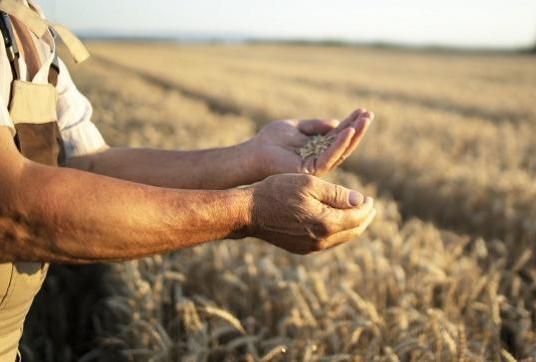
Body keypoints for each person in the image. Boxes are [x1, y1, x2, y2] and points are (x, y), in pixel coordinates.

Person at [0, 0, 376, 359]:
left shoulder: (27, 25)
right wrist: (249, 211)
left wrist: (251, 157)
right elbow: (12, 209)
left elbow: (86, 166)